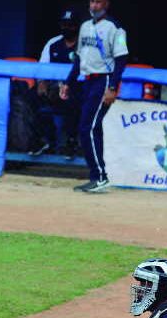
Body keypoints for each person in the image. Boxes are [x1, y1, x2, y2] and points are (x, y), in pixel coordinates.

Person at [60, 0, 128, 193]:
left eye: (98, 2)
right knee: (90, 127)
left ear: (106, 4)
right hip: (88, 80)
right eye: (92, 1)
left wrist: (113, 87)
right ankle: (97, 176)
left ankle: (99, 176)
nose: (94, 6)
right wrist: (68, 82)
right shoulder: (85, 26)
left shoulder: (115, 28)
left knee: (87, 127)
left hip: (104, 80)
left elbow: (121, 59)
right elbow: (79, 58)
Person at [35, 7, 82, 159]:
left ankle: (70, 142)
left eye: (71, 25)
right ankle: (43, 140)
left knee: (72, 98)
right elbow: (42, 69)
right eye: (64, 24)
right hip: (54, 89)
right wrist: (42, 83)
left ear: (77, 26)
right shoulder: (53, 43)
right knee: (31, 97)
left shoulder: (85, 45)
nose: (67, 28)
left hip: (77, 90)